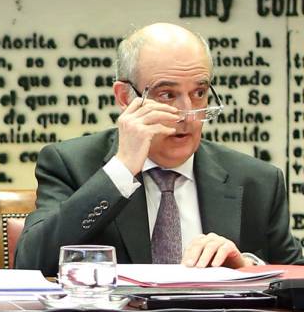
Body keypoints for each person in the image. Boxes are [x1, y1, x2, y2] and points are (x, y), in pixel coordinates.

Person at [15, 22, 303, 275]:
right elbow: (31, 264)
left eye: (199, 93)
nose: (186, 114)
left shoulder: (257, 181)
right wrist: (121, 170)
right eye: (168, 94)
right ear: (125, 97)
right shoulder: (70, 164)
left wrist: (248, 268)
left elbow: (296, 277)